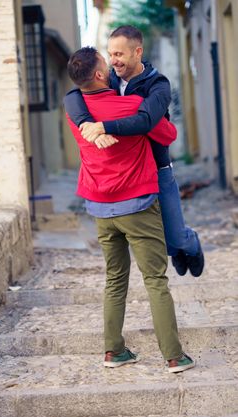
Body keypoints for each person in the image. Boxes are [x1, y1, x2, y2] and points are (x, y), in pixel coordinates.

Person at [65, 46, 195, 373]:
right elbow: (168, 133)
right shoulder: (131, 105)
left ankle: (113, 351)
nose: (111, 66)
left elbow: (72, 97)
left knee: (114, 279)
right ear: (98, 75)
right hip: (137, 204)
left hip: (99, 208)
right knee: (155, 279)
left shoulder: (75, 111)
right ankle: (174, 356)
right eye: (105, 62)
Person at [64, 25, 204, 278]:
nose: (113, 61)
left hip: (158, 169)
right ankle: (177, 247)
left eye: (119, 54)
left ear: (137, 52)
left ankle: (190, 244)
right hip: (132, 173)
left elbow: (146, 120)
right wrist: (85, 123)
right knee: (161, 242)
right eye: (110, 54)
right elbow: (73, 95)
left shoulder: (158, 84)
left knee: (175, 238)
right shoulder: (111, 79)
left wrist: (103, 126)